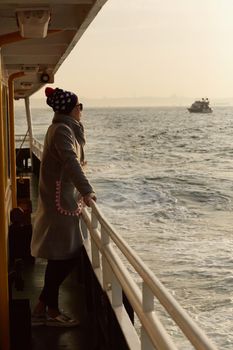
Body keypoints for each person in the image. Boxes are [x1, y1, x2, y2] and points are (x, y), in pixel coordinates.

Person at [31, 87, 96, 327]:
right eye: (79, 106)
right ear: (71, 109)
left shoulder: (65, 128)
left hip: (65, 202)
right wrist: (88, 191)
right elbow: (71, 162)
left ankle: (44, 309)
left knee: (61, 258)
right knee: (66, 257)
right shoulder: (61, 130)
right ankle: (49, 310)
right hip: (60, 205)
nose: (81, 110)